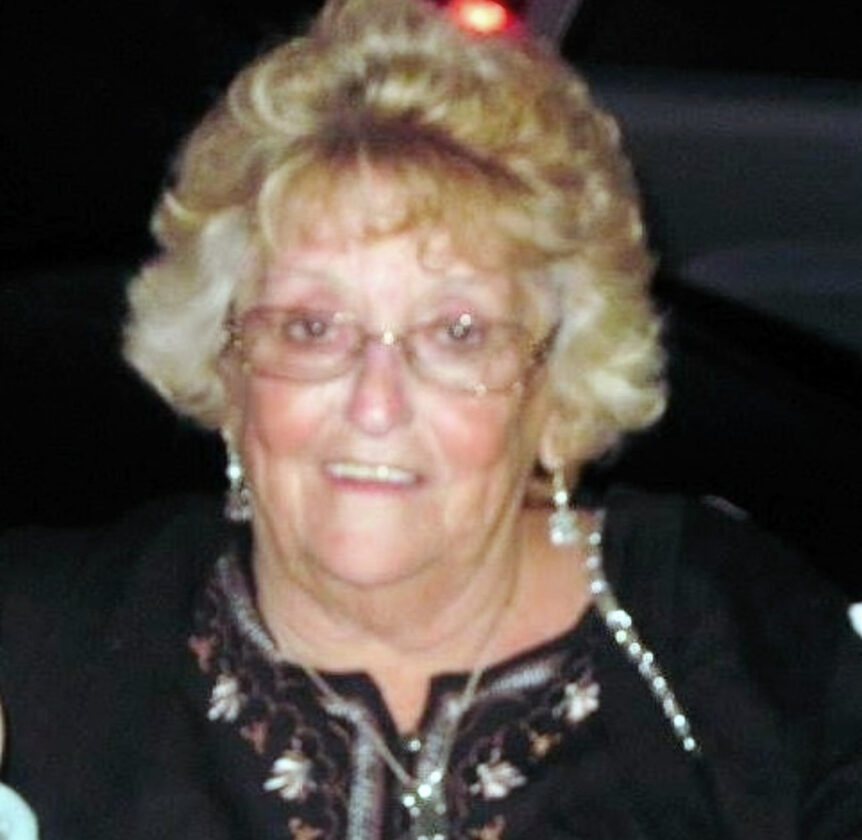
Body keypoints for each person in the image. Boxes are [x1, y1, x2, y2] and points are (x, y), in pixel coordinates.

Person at [1, 0, 861, 837]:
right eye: (311, 327)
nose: (376, 402)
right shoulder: (48, 638)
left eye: (458, 334)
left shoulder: (734, 636)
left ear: (557, 384)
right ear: (226, 364)